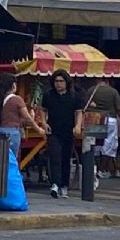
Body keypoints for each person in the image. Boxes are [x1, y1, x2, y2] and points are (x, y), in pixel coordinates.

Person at [39, 69, 83, 199]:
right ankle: (55, 184)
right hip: (53, 130)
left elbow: (78, 112)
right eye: (56, 81)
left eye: (61, 81)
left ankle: (64, 185)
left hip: (68, 131)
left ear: (66, 82)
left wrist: (78, 126)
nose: (58, 84)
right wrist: (43, 122)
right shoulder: (48, 95)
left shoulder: (74, 96)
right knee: (55, 156)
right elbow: (43, 109)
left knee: (65, 158)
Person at [0, 73, 44, 159]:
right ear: (13, 86)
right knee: (11, 159)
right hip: (12, 133)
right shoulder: (17, 100)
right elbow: (27, 118)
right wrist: (38, 129)